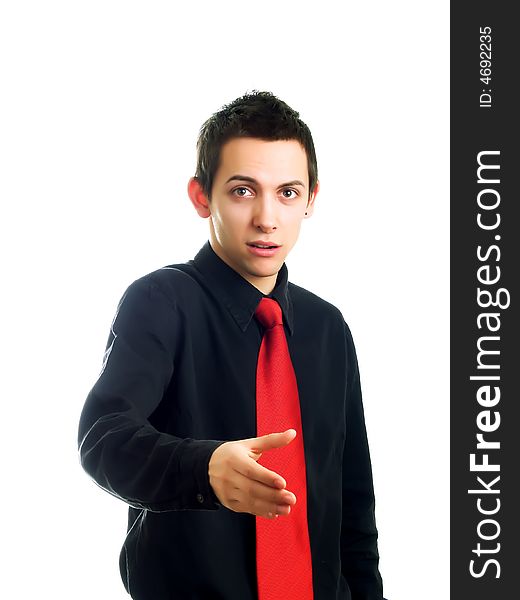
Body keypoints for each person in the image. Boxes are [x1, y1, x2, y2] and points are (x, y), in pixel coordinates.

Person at [78, 91, 385, 600]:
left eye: (287, 192)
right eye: (244, 191)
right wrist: (204, 469)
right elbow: (104, 436)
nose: (267, 218)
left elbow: (353, 504)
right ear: (202, 197)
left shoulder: (328, 328)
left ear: (311, 199)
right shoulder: (161, 300)